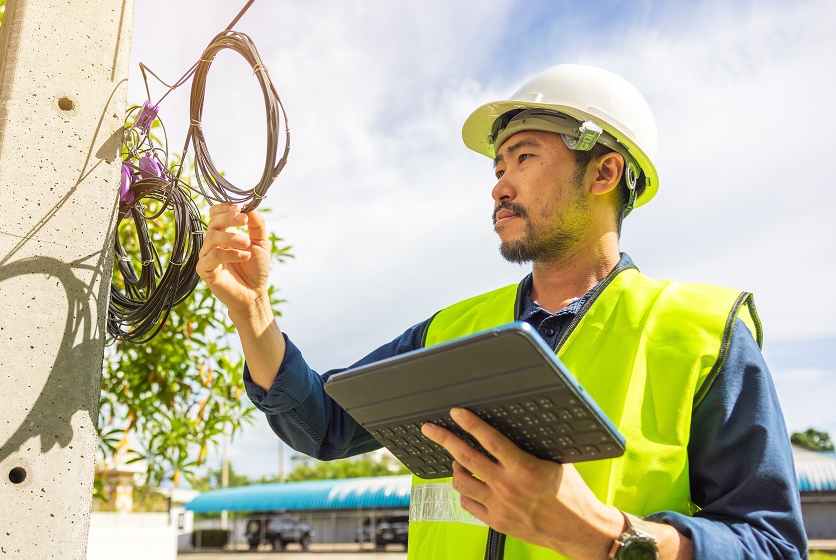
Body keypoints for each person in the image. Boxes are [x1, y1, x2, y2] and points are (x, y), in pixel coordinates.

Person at [196, 64, 808, 559]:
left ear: (604, 170)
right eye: (497, 166)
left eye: (524, 158)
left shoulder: (703, 331)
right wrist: (253, 313)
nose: (498, 184)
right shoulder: (451, 331)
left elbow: (771, 544)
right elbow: (322, 423)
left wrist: (605, 537)